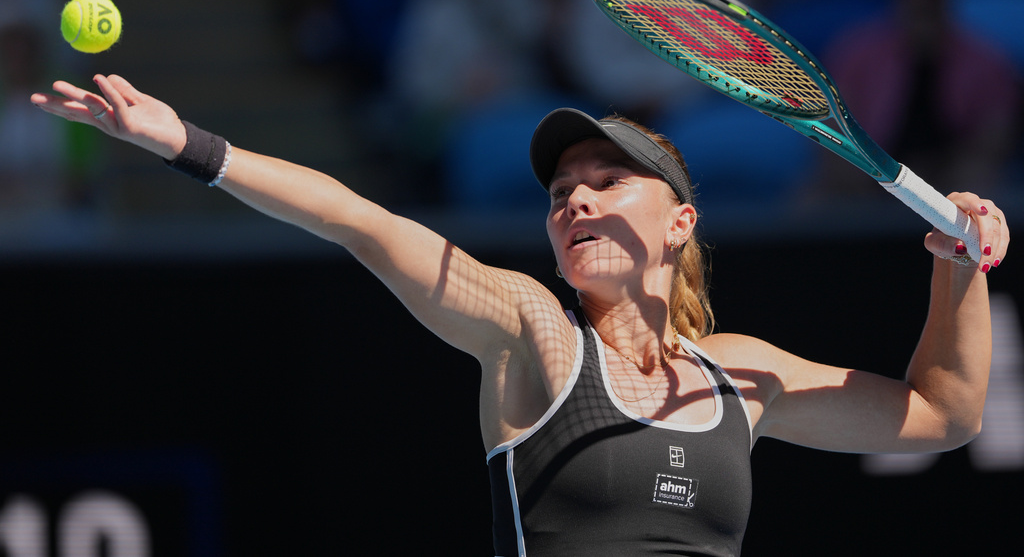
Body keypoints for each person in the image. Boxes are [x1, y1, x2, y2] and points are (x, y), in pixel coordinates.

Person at [31, 75, 1007, 556]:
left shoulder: (740, 373)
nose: (573, 200)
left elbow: (945, 413)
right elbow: (358, 219)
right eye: (558, 193)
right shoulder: (534, 328)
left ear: (680, 220)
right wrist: (190, 144)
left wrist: (954, 265)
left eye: (604, 180)